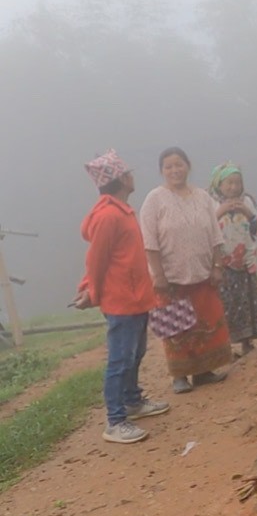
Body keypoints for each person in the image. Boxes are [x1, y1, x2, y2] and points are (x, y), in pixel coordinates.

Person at [74, 149, 170, 444]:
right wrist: (91, 290)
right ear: (119, 179)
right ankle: (115, 420)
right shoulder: (108, 216)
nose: (132, 176)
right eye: (128, 173)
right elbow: (97, 259)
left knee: (135, 353)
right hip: (121, 300)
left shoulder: (122, 210)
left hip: (138, 296)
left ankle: (133, 401)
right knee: (119, 359)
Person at [139, 147, 233, 394]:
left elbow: (215, 235)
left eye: (178, 165)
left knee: (205, 322)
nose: (174, 170)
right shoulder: (154, 199)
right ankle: (179, 375)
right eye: (168, 167)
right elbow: (149, 241)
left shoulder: (202, 197)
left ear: (188, 166)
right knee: (176, 326)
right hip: (171, 277)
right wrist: (158, 275)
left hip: (202, 274)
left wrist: (217, 266)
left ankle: (204, 372)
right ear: (162, 171)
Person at [210, 163, 257, 358]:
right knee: (227, 305)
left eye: (237, 182)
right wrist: (220, 212)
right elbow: (204, 231)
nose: (233, 187)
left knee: (246, 301)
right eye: (229, 183)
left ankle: (247, 343)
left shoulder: (247, 203)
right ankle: (228, 348)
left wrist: (248, 213)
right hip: (223, 265)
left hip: (245, 263)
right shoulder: (211, 204)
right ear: (219, 185)